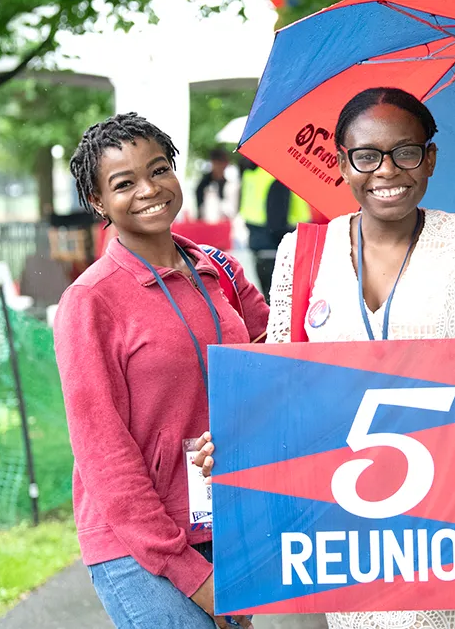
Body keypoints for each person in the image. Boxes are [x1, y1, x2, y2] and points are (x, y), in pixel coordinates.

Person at [191, 87, 455, 629]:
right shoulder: (302, 251)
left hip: (450, 524)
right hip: (350, 530)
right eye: (367, 155)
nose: (387, 170)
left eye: (406, 152)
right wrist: (241, 441)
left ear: (429, 158)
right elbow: (283, 382)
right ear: (341, 162)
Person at [55, 112, 268, 629]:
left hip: (227, 522)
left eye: (159, 170)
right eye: (124, 183)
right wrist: (189, 573)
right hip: (138, 543)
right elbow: (103, 452)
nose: (149, 189)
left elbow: (280, 360)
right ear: (98, 202)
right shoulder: (89, 301)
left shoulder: (220, 271)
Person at [238, 156, 310, 296]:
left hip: (260, 245)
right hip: (275, 250)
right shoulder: (278, 178)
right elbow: (277, 225)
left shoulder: (254, 172)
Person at [195, 147, 231, 221]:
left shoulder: (229, 184)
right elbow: (199, 203)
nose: (220, 167)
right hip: (206, 221)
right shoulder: (204, 183)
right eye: (218, 163)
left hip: (223, 223)